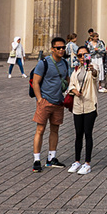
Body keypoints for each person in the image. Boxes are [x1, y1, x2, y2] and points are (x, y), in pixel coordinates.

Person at [29, 37, 73, 171]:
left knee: (55, 130)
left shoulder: (65, 63)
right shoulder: (44, 63)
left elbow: (67, 79)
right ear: (52, 49)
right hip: (45, 101)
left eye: (63, 47)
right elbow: (36, 82)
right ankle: (37, 160)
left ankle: (51, 158)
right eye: (58, 48)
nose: (61, 50)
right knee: (40, 130)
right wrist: (40, 99)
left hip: (58, 102)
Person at [68, 49, 100, 173]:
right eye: (80, 55)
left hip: (89, 105)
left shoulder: (93, 66)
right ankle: (76, 161)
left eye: (84, 55)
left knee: (88, 133)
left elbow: (96, 76)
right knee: (78, 134)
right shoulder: (76, 69)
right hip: (77, 105)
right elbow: (71, 84)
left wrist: (92, 69)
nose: (82, 57)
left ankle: (87, 163)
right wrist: (74, 91)